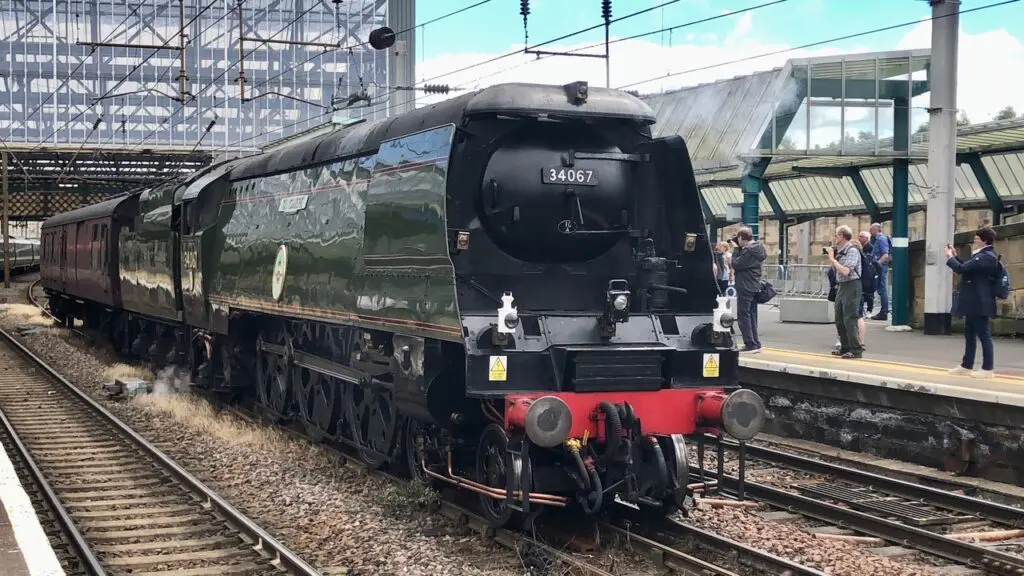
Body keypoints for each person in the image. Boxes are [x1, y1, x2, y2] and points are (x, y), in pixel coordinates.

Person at [944, 227, 1000, 378]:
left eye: (976, 239)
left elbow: (962, 269)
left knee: (984, 335)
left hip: (979, 302)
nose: (974, 241)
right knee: (969, 334)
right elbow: (969, 268)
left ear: (984, 240)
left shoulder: (987, 257)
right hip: (973, 301)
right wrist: (955, 257)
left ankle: (988, 369)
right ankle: (966, 365)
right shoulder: (982, 256)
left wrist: (950, 257)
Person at [826, 225, 863, 359]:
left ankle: (856, 349)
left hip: (852, 285)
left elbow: (846, 271)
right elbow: (837, 270)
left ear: (842, 236)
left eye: (836, 235)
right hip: (841, 285)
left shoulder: (852, 251)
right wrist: (833, 259)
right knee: (839, 317)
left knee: (850, 318)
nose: (835, 238)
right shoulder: (841, 251)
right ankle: (845, 347)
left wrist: (833, 259)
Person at [730, 227, 766, 353]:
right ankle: (756, 343)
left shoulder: (748, 251)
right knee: (752, 316)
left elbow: (736, 264)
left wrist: (735, 249)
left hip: (745, 286)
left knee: (743, 316)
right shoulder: (759, 248)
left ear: (741, 238)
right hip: (755, 286)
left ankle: (750, 344)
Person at [869, 223, 892, 321]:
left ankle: (884, 311)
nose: (870, 231)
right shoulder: (876, 239)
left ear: (876, 229)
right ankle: (883, 311)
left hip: (881, 267)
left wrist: (877, 265)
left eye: (871, 229)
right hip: (880, 267)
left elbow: (885, 255)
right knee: (880, 289)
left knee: (882, 289)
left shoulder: (881, 239)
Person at [857, 231, 875, 316]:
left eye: (861, 236)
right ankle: (861, 309)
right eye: (859, 236)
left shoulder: (870, 248)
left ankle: (869, 310)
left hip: (868, 271)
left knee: (869, 292)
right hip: (861, 271)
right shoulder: (858, 247)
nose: (859, 238)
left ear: (866, 238)